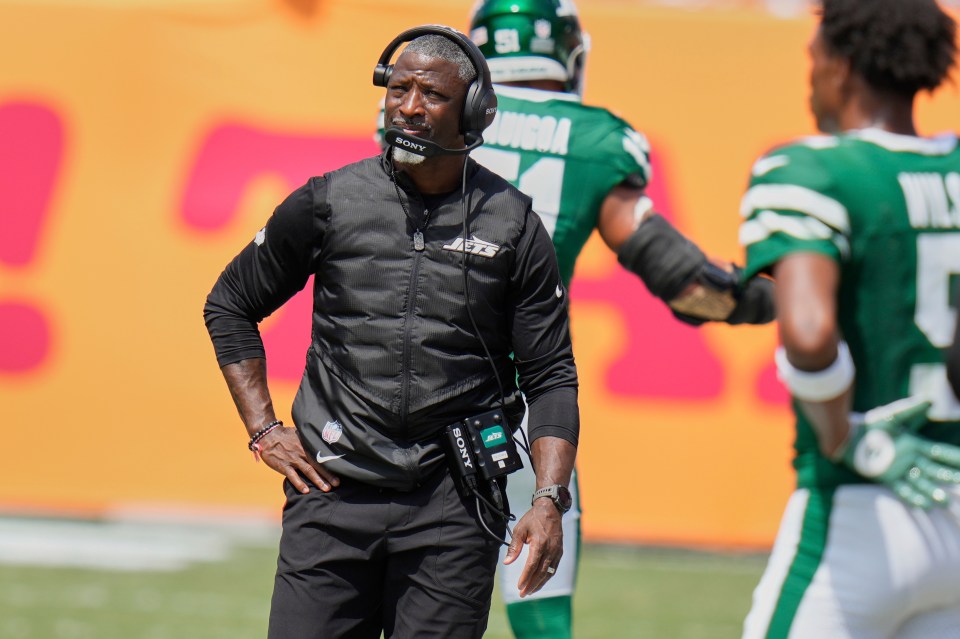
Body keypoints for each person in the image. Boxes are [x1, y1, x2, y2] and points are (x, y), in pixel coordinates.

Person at [204, 25, 580, 639]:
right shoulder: (327, 201)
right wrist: (265, 431)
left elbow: (551, 375)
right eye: (397, 88)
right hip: (330, 492)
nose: (408, 106)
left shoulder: (514, 224)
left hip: (455, 507)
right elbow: (230, 304)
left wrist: (548, 498)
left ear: (475, 110)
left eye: (430, 93)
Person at [443, 2, 775, 637]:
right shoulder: (595, 139)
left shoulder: (430, 108)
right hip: (510, 410)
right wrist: (782, 299)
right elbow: (689, 285)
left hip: (393, 397)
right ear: (569, 53)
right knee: (541, 617)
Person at [737, 1, 960, 636]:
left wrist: (843, 436)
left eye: (813, 60)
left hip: (862, 508)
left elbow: (808, 334)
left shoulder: (814, 169)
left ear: (841, 65)